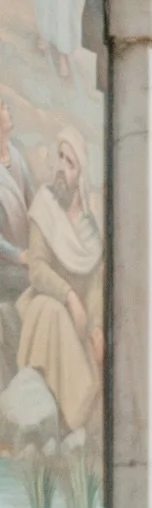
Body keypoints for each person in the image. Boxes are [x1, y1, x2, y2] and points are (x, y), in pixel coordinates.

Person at [16, 126, 103, 435]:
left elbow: (95, 286)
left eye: (71, 163)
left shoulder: (91, 232)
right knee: (54, 315)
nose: (62, 169)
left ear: (81, 173)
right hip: (43, 305)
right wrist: (67, 294)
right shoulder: (44, 204)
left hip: (79, 321)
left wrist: (95, 327)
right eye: (60, 158)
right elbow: (37, 269)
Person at [0, 97, 36, 382]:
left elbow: (33, 201)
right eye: (2, 108)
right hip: (5, 264)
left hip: (25, 253)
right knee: (33, 284)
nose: (7, 111)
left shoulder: (16, 156)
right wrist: (17, 255)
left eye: (6, 107)